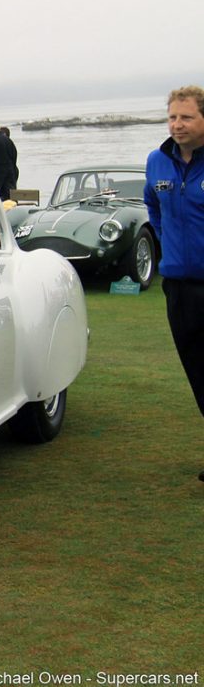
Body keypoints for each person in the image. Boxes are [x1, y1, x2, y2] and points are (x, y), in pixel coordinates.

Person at [143, 85, 204, 482]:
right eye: (172, 117)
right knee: (198, 373)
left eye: (186, 117)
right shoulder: (156, 161)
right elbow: (152, 204)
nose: (177, 125)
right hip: (179, 287)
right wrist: (170, 246)